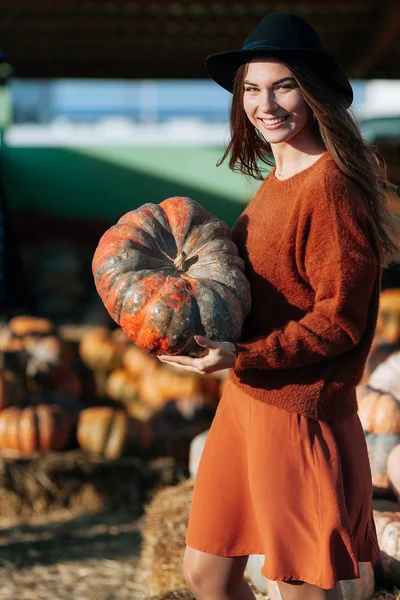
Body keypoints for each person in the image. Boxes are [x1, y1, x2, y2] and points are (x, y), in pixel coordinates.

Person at [158, 12, 400, 600]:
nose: (265, 104)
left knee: (299, 590)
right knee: (205, 575)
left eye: (283, 85)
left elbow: (338, 320)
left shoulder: (332, 188)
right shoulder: (277, 178)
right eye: (252, 89)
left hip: (298, 409)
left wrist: (241, 352)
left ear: (313, 91)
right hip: (246, 399)